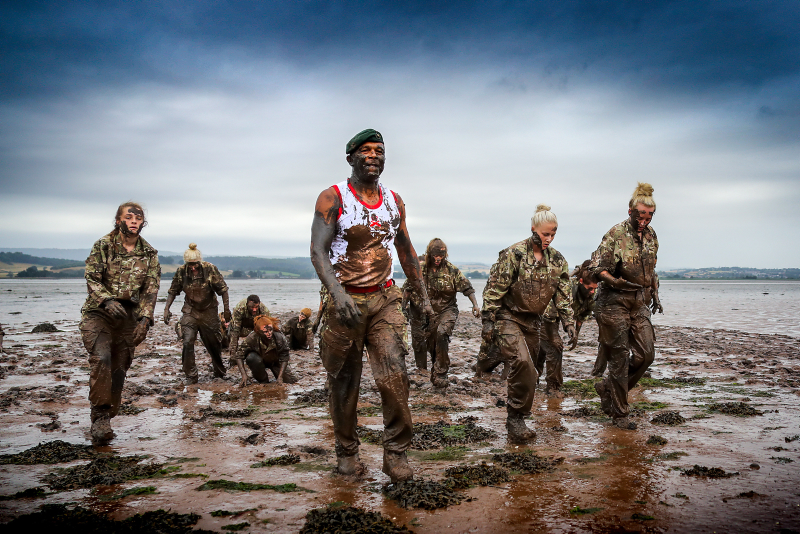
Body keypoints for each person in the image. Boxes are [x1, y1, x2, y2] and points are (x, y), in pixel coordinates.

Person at [310, 128, 432, 482]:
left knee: (395, 376)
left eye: (379, 150)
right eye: (365, 150)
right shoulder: (333, 198)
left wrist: (421, 295)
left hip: (385, 298)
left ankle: (396, 454)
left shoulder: (394, 201)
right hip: (344, 302)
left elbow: (406, 250)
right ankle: (347, 453)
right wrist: (337, 292)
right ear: (351, 158)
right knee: (344, 383)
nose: (374, 155)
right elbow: (318, 251)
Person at [481, 204, 575, 443]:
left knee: (531, 372)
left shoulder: (557, 261)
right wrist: (488, 321)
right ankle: (515, 421)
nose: (549, 238)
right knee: (521, 362)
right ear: (533, 228)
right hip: (508, 317)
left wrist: (569, 324)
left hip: (534, 322)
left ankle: (517, 415)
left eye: (553, 234)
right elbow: (494, 289)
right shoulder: (514, 254)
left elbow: (563, 296)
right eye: (545, 234)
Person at [80, 202, 160, 442]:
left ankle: (109, 412)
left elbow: (151, 288)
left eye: (139, 218)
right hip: (98, 312)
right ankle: (101, 417)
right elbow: (91, 278)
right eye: (129, 217)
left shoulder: (149, 253)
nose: (134, 220)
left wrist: (145, 319)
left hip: (128, 315)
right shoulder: (103, 246)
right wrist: (106, 300)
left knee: (120, 367)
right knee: (101, 358)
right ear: (118, 221)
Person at [591, 183, 662, 430]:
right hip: (612, 303)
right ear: (630, 211)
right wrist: (614, 281)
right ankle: (620, 414)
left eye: (649, 215)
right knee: (619, 359)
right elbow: (596, 267)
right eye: (640, 214)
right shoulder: (615, 234)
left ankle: (607, 387)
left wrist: (655, 292)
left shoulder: (652, 236)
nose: (644, 220)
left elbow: (651, 271)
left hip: (639, 303)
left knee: (646, 355)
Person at [163, 243, 231, 384]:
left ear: (199, 262)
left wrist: (226, 310)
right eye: (190, 264)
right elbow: (173, 291)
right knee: (188, 341)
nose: (193, 267)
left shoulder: (210, 269)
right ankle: (191, 375)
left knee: (214, 343)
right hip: (190, 310)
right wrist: (166, 309)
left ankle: (219, 371)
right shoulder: (181, 271)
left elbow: (223, 290)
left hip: (209, 311)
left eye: (195, 264)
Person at [418, 239, 480, 387]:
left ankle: (442, 373)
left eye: (442, 255)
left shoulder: (451, 270)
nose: (438, 258)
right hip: (429, 312)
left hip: (448, 309)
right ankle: (436, 367)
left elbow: (467, 288)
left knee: (442, 333)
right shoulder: (422, 270)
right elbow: (408, 288)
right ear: (429, 254)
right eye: (435, 255)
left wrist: (475, 305)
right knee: (431, 343)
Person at [537, 260, 598, 396]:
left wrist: (575, 333)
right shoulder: (567, 288)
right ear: (581, 282)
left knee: (543, 347)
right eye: (590, 288)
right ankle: (553, 387)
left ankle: (534, 376)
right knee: (554, 346)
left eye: (595, 288)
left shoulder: (591, 293)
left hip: (561, 315)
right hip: (544, 315)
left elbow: (582, 315)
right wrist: (554, 336)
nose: (593, 291)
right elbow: (549, 315)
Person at [234, 315, 298, 386]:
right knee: (251, 357)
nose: (269, 333)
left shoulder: (279, 337)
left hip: (275, 362)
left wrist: (280, 377)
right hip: (258, 361)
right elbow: (239, 355)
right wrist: (244, 375)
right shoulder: (252, 338)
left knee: (291, 381)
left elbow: (285, 357)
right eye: (265, 332)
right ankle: (263, 379)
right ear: (258, 331)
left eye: (271, 330)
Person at [401, 254, 428, 370]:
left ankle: (437, 368)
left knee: (434, 342)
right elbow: (404, 294)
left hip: (433, 315)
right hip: (416, 314)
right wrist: (403, 309)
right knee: (418, 343)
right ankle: (421, 368)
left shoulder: (435, 278)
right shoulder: (412, 279)